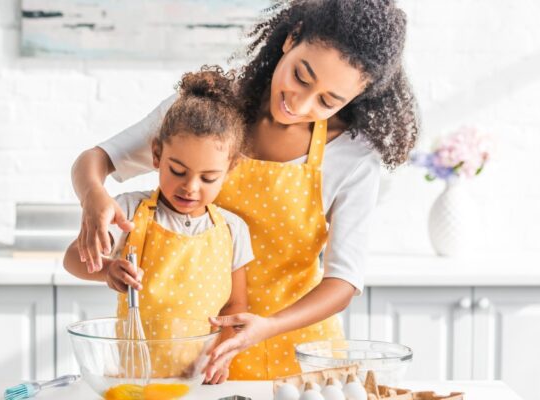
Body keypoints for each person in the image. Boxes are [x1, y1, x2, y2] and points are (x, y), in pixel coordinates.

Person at [70, 0, 419, 381]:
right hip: (195, 358)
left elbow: (343, 282)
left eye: (327, 100)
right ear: (291, 38)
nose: (300, 103)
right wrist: (93, 196)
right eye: (301, 76)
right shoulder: (203, 114)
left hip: (299, 358)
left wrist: (266, 326)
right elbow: (97, 159)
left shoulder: (351, 156)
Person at [63, 67, 254, 383]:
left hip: (198, 383)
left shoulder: (233, 230)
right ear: (156, 155)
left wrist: (221, 356)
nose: (190, 187)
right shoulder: (130, 212)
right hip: (135, 379)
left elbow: (236, 305)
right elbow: (73, 259)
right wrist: (107, 269)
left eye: (208, 178)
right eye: (177, 170)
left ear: (230, 169)